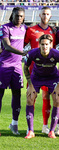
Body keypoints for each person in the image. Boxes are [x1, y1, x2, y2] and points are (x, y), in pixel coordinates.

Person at [24, 34, 59, 139]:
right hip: (36, 77)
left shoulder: (57, 54)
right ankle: (30, 130)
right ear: (39, 45)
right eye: (42, 44)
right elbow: (25, 68)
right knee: (30, 99)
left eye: (47, 44)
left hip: (52, 78)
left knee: (57, 99)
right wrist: (30, 85)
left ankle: (52, 131)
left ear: (51, 45)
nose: (45, 47)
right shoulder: (32, 53)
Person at [24, 6, 56, 134]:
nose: (45, 16)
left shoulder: (53, 31)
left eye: (47, 14)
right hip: (33, 71)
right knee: (31, 97)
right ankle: (29, 127)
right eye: (43, 14)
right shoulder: (31, 30)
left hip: (49, 71)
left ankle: (45, 125)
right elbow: (22, 44)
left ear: (50, 16)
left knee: (46, 97)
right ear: (39, 15)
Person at [0, 7, 26, 136]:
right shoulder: (5, 28)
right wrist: (23, 53)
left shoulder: (24, 28)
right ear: (12, 15)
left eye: (21, 16)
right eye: (17, 16)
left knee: (17, 95)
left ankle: (14, 124)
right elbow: (6, 46)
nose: (19, 18)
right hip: (4, 66)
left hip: (17, 67)